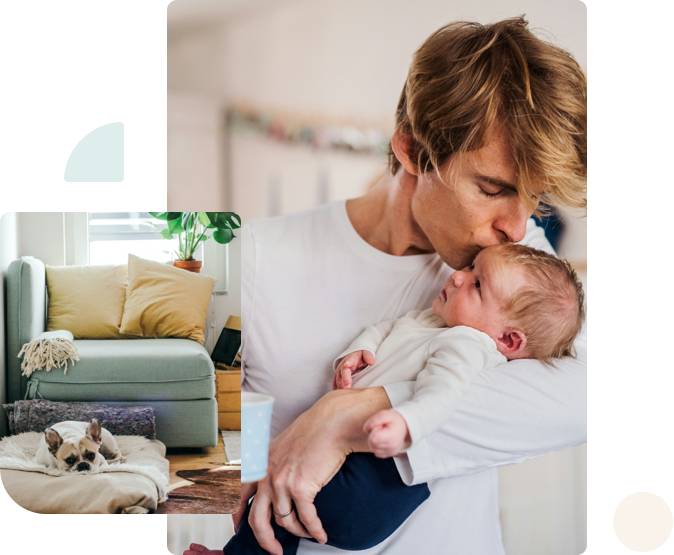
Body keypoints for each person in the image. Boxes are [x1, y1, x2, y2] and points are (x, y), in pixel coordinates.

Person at [183, 15, 587, 555]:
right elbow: (197, 457)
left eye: (533, 199)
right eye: (493, 188)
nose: (516, 226)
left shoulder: (516, 264)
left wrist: (344, 415)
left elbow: (578, 399)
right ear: (413, 149)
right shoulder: (253, 259)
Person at [224, 243, 585, 554]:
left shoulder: (466, 344)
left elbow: (443, 393)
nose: (458, 275)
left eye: (477, 285)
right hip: (359, 465)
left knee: (283, 500)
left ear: (507, 341)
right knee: (280, 501)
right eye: (471, 266)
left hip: (379, 484)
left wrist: (404, 420)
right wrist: (360, 350)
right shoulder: (434, 319)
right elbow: (387, 329)